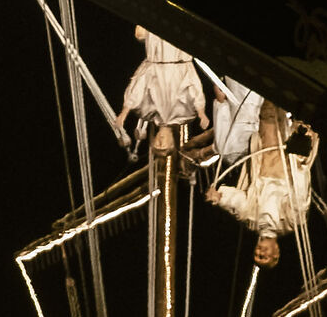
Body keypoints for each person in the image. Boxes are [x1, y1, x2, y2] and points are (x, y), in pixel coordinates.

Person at [202, 97, 316, 267]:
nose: (260, 252)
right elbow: (300, 194)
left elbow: (239, 203)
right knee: (302, 118)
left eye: (256, 255)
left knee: (268, 115)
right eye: (264, 256)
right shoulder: (292, 223)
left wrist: (219, 198)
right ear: (276, 253)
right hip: (287, 166)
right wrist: (299, 166)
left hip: (265, 164)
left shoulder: (251, 220)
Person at [120, 25, 206, 159]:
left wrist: (123, 114)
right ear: (172, 142)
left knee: (145, 30)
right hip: (178, 56)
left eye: (157, 145)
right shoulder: (185, 115)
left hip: (156, 53)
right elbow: (193, 88)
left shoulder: (147, 112)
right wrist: (201, 113)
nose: (160, 141)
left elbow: (138, 86)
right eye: (164, 145)